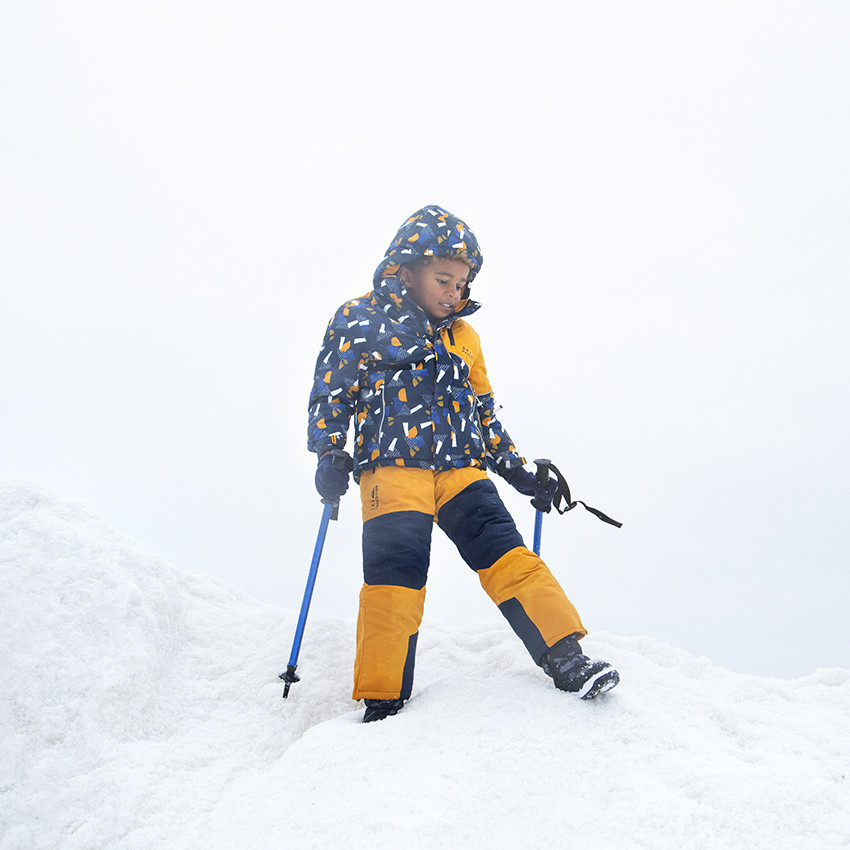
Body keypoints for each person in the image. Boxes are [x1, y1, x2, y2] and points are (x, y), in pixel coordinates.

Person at [307, 204, 618, 722]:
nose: (454, 292)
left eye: (462, 282)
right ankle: (382, 696)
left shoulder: (464, 338)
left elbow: (484, 414)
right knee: (394, 580)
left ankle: (568, 657)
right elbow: (331, 393)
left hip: (461, 471)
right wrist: (329, 450)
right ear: (405, 271)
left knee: (509, 557)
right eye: (443, 279)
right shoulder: (358, 319)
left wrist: (517, 472)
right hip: (392, 469)